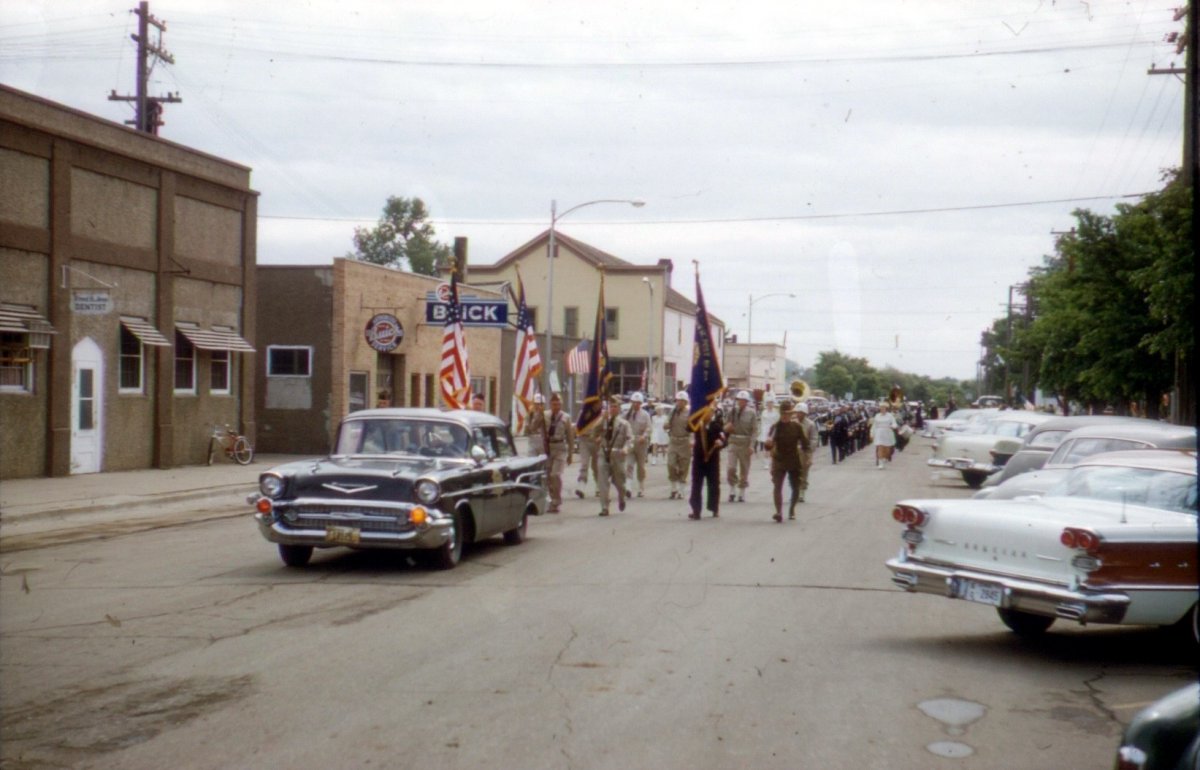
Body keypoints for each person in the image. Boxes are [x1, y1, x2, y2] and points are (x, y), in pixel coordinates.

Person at [764, 400, 804, 521]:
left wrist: (806, 456)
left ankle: (792, 509)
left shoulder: (797, 427)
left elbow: (805, 443)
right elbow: (768, 445)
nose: (785, 416)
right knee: (777, 486)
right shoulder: (775, 427)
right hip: (779, 460)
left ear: (791, 414)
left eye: (788, 413)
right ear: (780, 413)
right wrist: (768, 445)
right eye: (783, 413)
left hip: (793, 460)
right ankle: (779, 512)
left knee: (795, 487)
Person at [689, 406, 727, 519]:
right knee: (696, 484)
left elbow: (724, 438)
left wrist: (721, 442)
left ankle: (714, 508)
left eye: (709, 413)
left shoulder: (716, 426)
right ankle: (696, 510)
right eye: (704, 413)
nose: (707, 415)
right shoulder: (696, 426)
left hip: (712, 459)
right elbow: (689, 433)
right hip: (698, 459)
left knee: (714, 484)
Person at [597, 397, 631, 516]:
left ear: (619, 409)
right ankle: (604, 507)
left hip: (617, 454)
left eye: (615, 406)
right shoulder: (604, 421)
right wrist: (602, 419)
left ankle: (622, 497)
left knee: (620, 482)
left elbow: (629, 439)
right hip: (604, 453)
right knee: (602, 481)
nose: (613, 408)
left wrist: (626, 448)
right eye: (611, 406)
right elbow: (593, 433)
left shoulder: (624, 424)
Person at [724, 390, 758, 503]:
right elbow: (725, 425)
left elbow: (754, 431)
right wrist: (727, 427)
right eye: (739, 400)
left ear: (747, 402)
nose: (741, 402)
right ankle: (732, 489)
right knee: (731, 467)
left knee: (744, 469)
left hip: (745, 442)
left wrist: (752, 445)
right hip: (733, 441)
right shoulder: (732, 411)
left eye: (743, 400)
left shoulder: (752, 413)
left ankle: (742, 492)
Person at [542, 393, 574, 513]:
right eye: (554, 404)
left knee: (556, 474)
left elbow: (570, 437)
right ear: (550, 404)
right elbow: (533, 427)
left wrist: (570, 454)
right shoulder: (544, 415)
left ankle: (556, 499)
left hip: (560, 447)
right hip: (548, 447)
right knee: (549, 476)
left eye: (558, 404)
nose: (556, 406)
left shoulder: (566, 417)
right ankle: (553, 500)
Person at [623, 392, 652, 497]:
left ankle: (641, 487)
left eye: (638, 403)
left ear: (641, 404)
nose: (635, 405)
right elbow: (622, 426)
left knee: (641, 466)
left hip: (641, 442)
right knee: (629, 465)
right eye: (634, 402)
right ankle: (628, 487)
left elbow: (649, 428)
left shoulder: (645, 415)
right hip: (630, 441)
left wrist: (644, 436)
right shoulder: (626, 414)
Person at [666, 391, 692, 500]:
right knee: (671, 464)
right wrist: (666, 425)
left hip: (685, 441)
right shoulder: (672, 412)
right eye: (678, 400)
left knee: (683, 466)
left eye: (682, 401)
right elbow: (667, 424)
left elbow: (694, 428)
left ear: (686, 402)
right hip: (673, 440)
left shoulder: (690, 413)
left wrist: (693, 440)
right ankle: (673, 488)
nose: (679, 403)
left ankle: (681, 490)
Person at [794, 401, 818, 502]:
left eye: (801, 412)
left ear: (805, 413)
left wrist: (809, 450)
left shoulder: (810, 424)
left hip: (804, 451)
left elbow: (814, 439)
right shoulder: (793, 422)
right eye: (797, 412)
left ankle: (801, 492)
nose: (798, 414)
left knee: (803, 472)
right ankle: (795, 491)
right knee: (793, 472)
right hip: (793, 450)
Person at [871, 402, 898, 469]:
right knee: (880, 447)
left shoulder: (890, 415)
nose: (882, 409)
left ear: (886, 408)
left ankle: (885, 458)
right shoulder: (877, 415)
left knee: (887, 449)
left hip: (887, 433)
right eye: (881, 408)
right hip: (879, 433)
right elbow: (874, 425)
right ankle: (880, 463)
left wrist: (893, 426)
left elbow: (894, 424)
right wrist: (872, 433)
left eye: (883, 408)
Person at [758, 400, 779, 468]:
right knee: (766, 447)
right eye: (768, 403)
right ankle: (766, 463)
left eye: (771, 403)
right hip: (765, 430)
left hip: (773, 430)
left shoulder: (776, 412)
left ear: (773, 404)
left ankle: (773, 461)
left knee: (773, 447)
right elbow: (762, 422)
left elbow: (777, 422)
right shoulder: (764, 412)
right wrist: (761, 431)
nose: (770, 405)